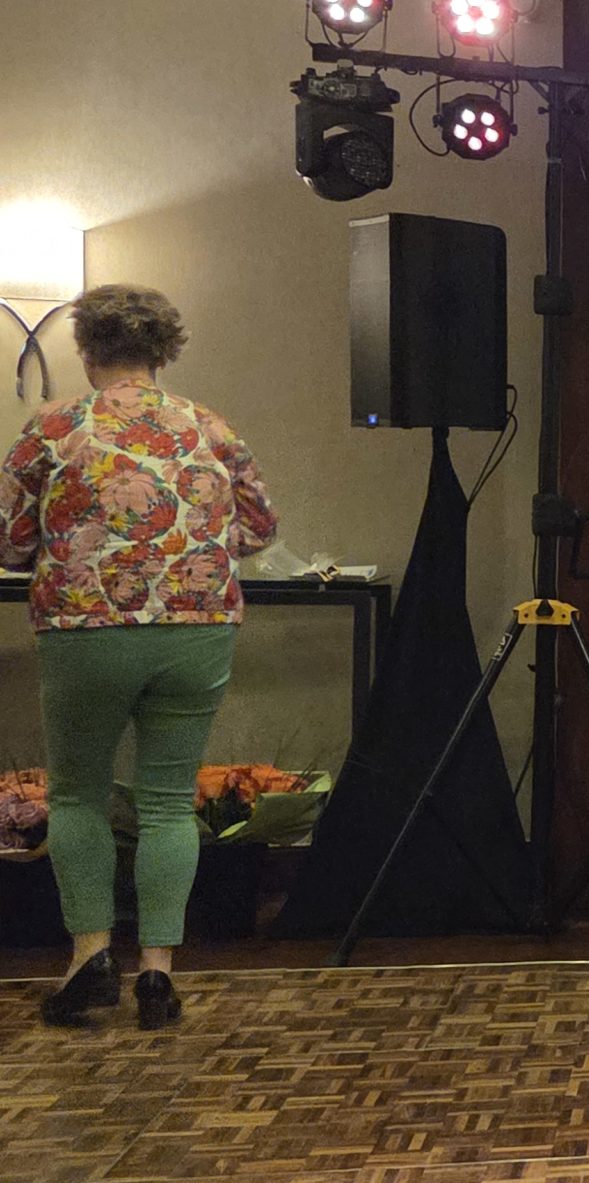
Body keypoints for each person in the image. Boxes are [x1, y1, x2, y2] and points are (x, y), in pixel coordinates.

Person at [0, 284, 278, 1028]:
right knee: (166, 801)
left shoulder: (55, 428)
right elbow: (258, 527)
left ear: (86, 349)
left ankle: (90, 957)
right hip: (198, 626)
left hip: (85, 627)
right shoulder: (209, 427)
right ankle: (158, 975)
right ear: (163, 351)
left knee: (77, 796)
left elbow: (10, 541)